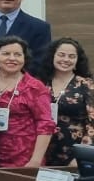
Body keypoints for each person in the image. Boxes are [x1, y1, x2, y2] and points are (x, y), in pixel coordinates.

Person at [0, 36, 54, 168]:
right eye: (6, 53)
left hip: (24, 159)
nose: (12, 58)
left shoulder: (35, 87)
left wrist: (35, 160)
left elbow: (45, 124)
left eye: (18, 54)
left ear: (25, 58)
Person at [39, 38, 94, 167]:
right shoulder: (40, 83)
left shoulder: (86, 85)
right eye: (61, 55)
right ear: (52, 56)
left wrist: (81, 156)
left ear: (77, 61)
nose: (66, 60)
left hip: (74, 153)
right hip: (42, 150)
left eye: (71, 56)